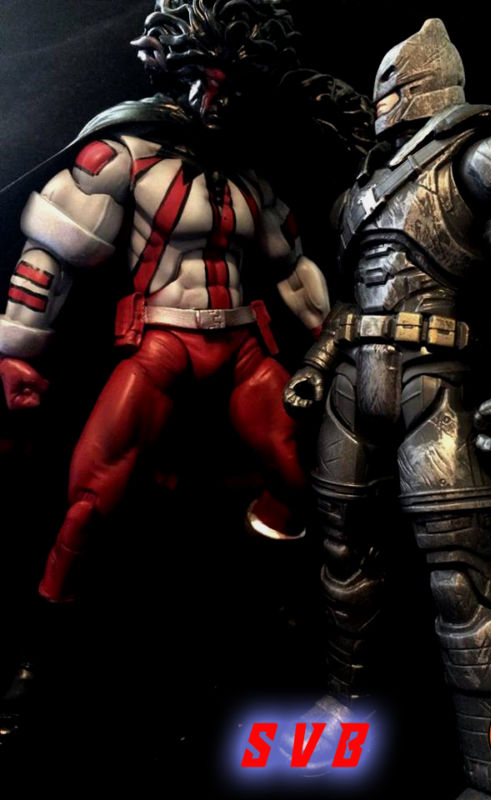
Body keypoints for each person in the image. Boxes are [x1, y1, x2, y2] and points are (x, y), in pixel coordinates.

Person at [0, 0, 373, 739]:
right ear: (175, 72)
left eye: (234, 83)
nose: (217, 97)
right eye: (206, 77)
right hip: (162, 346)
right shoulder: (127, 156)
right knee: (90, 499)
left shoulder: (250, 179)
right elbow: (52, 255)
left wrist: (335, 341)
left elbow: (293, 272)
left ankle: (264, 608)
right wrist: (18, 348)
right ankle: (38, 656)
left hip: (242, 348)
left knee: (306, 481)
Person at [284, 17, 491, 799]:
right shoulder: (358, 194)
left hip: (439, 386)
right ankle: (342, 717)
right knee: (341, 561)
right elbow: (353, 304)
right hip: (356, 388)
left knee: (464, 582)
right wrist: (317, 365)